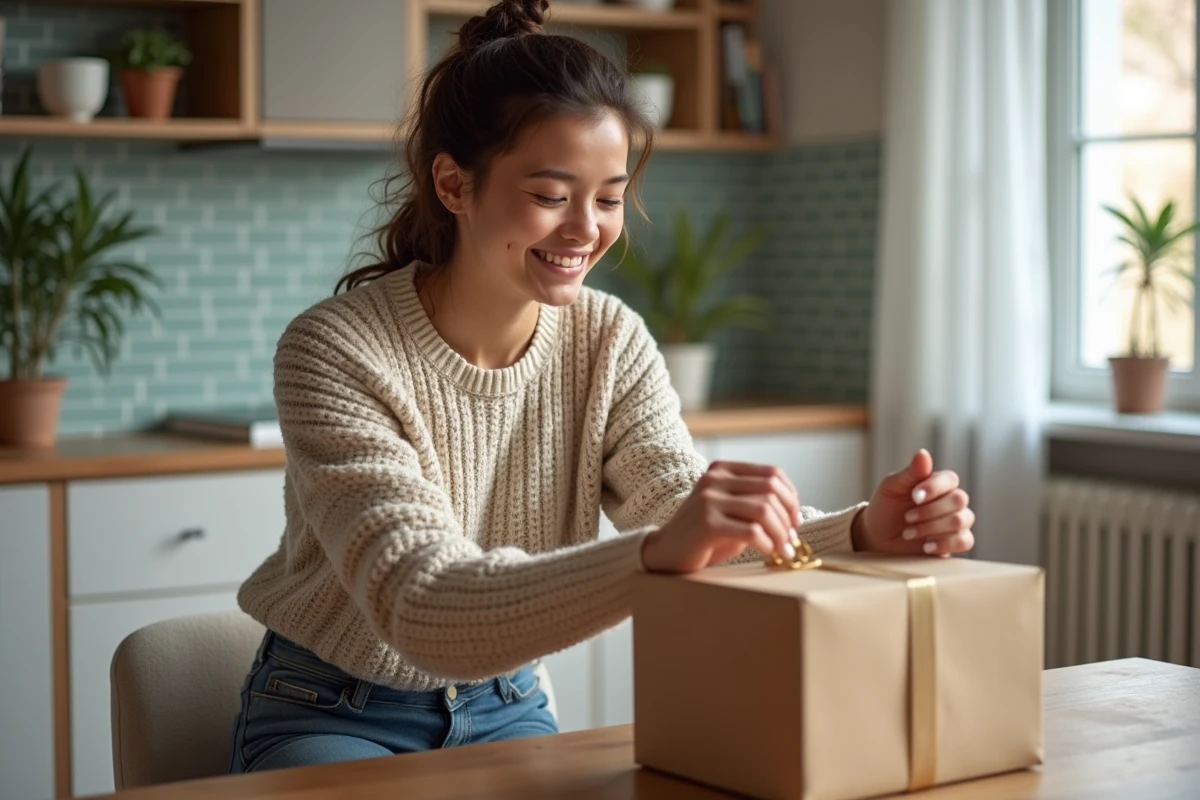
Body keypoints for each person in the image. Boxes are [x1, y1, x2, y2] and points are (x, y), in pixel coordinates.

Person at [228, 0, 976, 774]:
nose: (587, 228)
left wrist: (860, 536)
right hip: (332, 710)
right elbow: (421, 604)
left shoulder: (608, 337)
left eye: (610, 197)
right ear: (453, 184)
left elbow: (683, 508)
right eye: (552, 195)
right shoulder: (336, 347)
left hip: (506, 703)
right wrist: (657, 554)